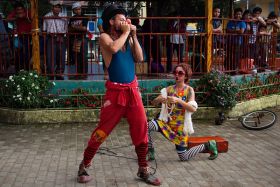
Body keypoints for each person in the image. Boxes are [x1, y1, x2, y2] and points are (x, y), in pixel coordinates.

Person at [77, 4, 161, 186]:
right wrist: (125, 33)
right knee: (102, 131)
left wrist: (134, 35)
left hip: (132, 90)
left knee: (141, 128)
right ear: (111, 21)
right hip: (115, 94)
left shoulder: (128, 39)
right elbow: (114, 49)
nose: (124, 21)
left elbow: (139, 58)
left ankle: (143, 168)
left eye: (125, 18)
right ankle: (84, 164)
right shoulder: (104, 37)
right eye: (120, 18)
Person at [147, 63, 218, 162]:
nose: (177, 75)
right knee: (146, 126)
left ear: (186, 75)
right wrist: (159, 99)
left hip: (180, 128)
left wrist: (178, 100)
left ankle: (209, 145)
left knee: (183, 157)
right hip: (166, 124)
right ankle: (150, 151)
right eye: (175, 72)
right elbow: (153, 102)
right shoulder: (169, 89)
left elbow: (193, 108)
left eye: (180, 73)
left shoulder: (189, 90)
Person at [43, 2, 67, 80]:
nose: (57, 8)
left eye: (59, 7)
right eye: (56, 7)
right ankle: (51, 73)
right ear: (52, 8)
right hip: (51, 37)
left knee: (61, 56)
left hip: (61, 37)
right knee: (50, 56)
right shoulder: (47, 16)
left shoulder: (64, 16)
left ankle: (59, 73)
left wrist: (63, 36)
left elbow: (66, 28)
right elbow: (44, 29)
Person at [7, 2, 32, 72]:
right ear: (16, 10)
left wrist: (21, 16)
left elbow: (31, 17)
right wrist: (16, 17)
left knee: (27, 54)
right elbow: (8, 19)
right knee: (18, 54)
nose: (20, 11)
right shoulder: (15, 12)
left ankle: (27, 70)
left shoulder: (28, 12)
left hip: (28, 36)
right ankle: (18, 70)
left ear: (23, 9)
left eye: (21, 9)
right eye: (18, 9)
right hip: (19, 36)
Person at [68, 2, 88, 79]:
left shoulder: (84, 17)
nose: (77, 11)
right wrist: (78, 27)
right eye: (75, 9)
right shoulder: (72, 18)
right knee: (76, 57)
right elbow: (69, 29)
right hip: (74, 39)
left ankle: (84, 74)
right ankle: (78, 73)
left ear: (81, 9)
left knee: (83, 56)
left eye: (79, 9)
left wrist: (74, 27)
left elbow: (84, 28)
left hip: (82, 38)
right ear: (73, 10)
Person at [226, 8, 246, 73]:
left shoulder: (242, 23)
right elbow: (227, 30)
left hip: (238, 42)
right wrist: (237, 30)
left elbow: (241, 31)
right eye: (237, 14)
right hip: (230, 41)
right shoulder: (230, 22)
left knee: (236, 56)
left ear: (241, 15)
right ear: (234, 14)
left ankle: (234, 69)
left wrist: (233, 31)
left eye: (239, 14)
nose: (238, 15)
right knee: (229, 55)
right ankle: (228, 69)